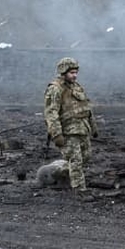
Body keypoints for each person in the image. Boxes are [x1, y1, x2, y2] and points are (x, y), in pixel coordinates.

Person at [43, 57, 98, 202]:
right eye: (72, 73)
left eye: (76, 72)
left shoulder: (76, 87)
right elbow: (51, 113)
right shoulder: (55, 89)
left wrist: (93, 127)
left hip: (82, 129)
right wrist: (56, 134)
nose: (75, 75)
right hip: (68, 132)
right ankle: (80, 191)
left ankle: (59, 173)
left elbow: (86, 108)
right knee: (76, 160)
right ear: (63, 72)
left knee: (86, 157)